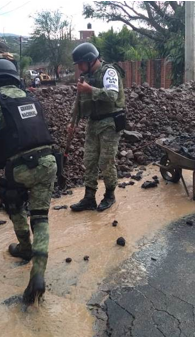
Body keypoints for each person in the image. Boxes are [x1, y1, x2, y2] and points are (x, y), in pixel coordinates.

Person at [0, 59, 58, 305]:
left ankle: (24, 247)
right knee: (41, 218)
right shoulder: (31, 97)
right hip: (49, 162)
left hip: (21, 167)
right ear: (13, 77)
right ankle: (38, 274)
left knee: (13, 200)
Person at [68, 42, 126, 212]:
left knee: (106, 162)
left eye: (80, 63)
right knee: (89, 160)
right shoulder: (86, 77)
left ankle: (109, 195)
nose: (79, 67)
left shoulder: (109, 72)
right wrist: (73, 122)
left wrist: (90, 89)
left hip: (110, 122)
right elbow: (79, 102)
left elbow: (112, 95)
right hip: (93, 123)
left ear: (90, 60)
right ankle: (89, 197)